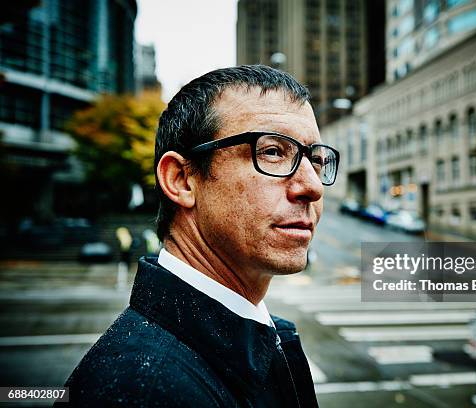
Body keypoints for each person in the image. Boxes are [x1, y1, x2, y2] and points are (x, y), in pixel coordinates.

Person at [59, 65, 339, 407]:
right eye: (272, 151)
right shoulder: (142, 393)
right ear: (181, 180)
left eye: (316, 160)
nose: (311, 186)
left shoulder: (258, 338)